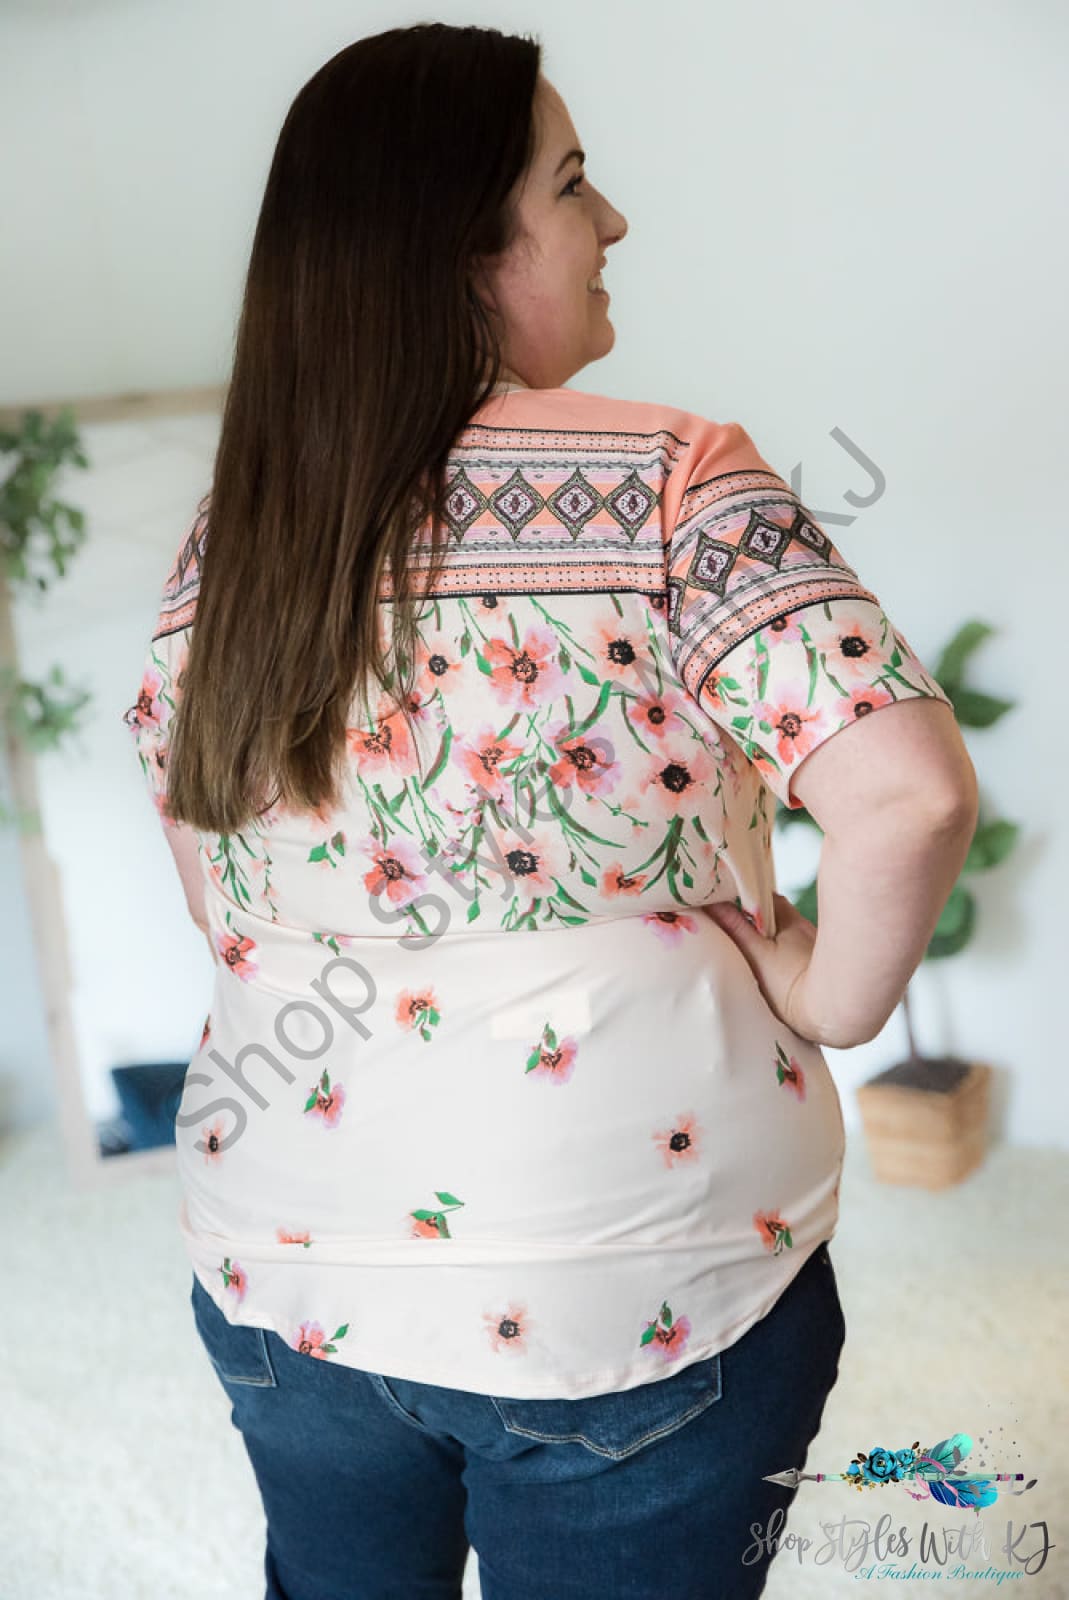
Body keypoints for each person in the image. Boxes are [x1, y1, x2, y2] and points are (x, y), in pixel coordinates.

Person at [121, 23, 979, 1600]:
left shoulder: (231, 536)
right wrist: (820, 988)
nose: (613, 224)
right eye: (572, 185)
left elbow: (216, 884)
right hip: (632, 1288)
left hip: (280, 1270)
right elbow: (908, 796)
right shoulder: (672, 480)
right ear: (462, 248)